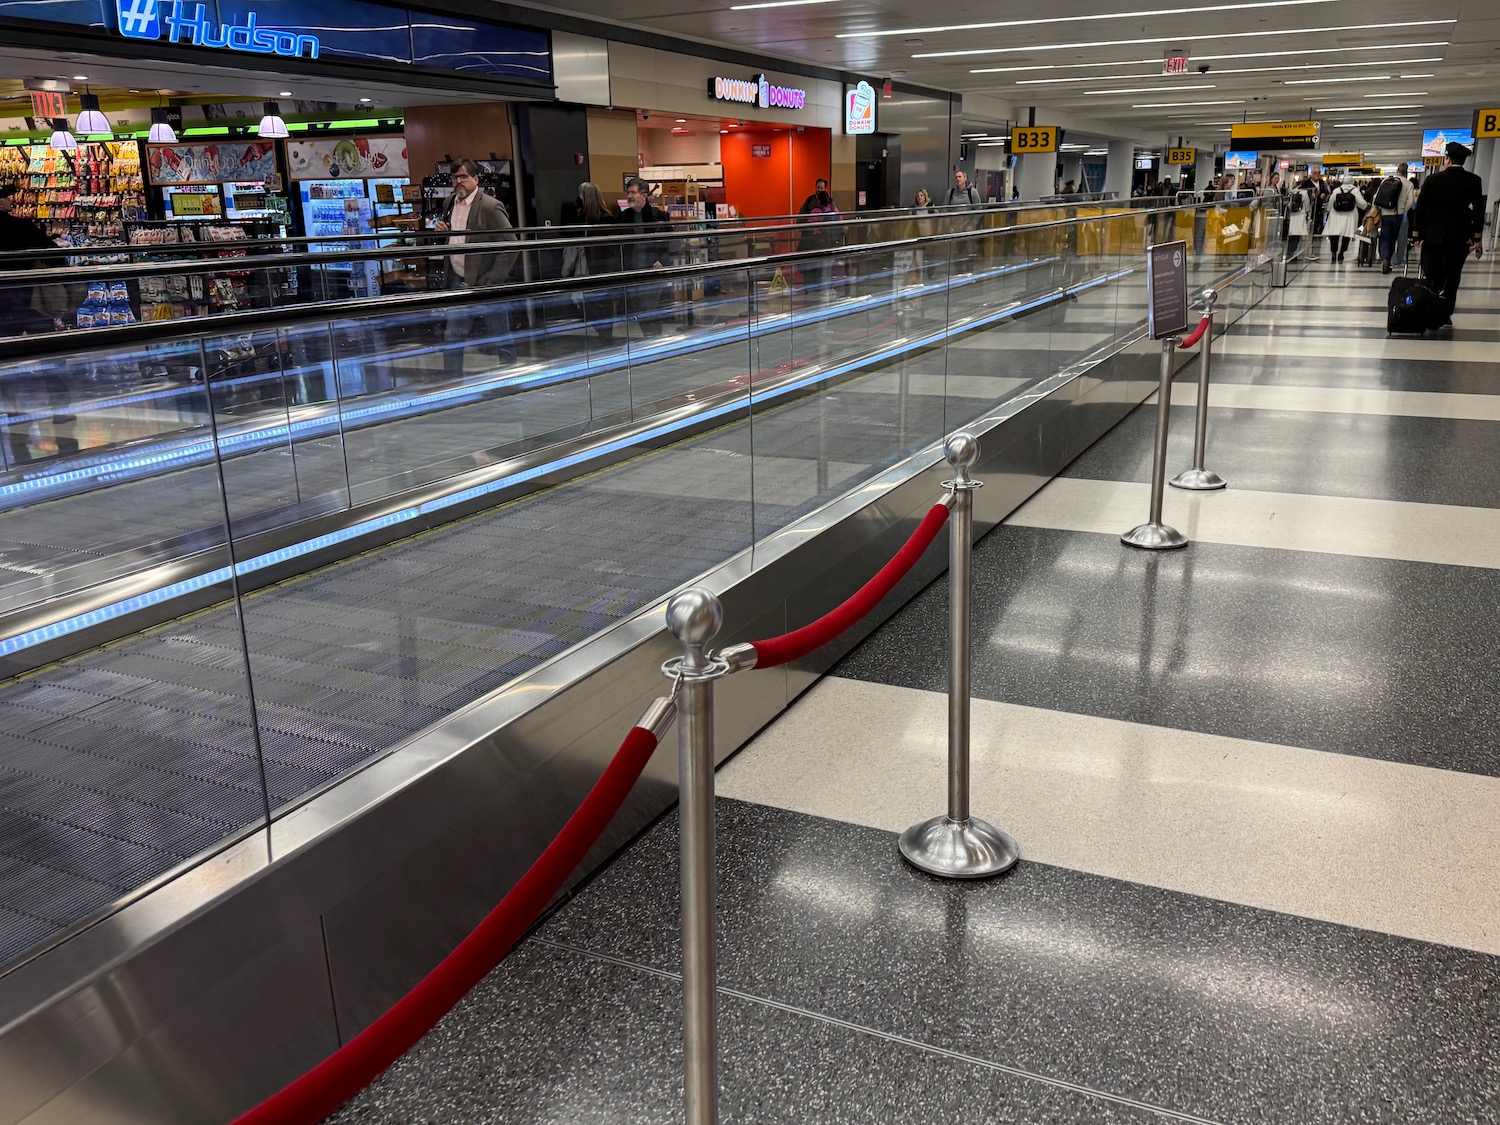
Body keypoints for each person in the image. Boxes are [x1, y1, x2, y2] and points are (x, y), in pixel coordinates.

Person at [436, 159, 517, 373]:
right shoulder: (449, 203)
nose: (458, 181)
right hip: (458, 279)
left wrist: (491, 280)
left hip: (484, 283)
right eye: (454, 177)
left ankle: (511, 377)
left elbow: (511, 245)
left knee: (500, 334)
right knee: (453, 336)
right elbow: (454, 239)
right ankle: (451, 381)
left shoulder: (490, 206)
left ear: (475, 179)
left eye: (463, 177)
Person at [1409, 141, 1485, 324]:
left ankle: (1432, 308)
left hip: (1433, 236)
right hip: (1460, 238)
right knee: (1453, 275)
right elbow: (1478, 210)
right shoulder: (1474, 180)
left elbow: (1421, 208)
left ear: (1448, 159)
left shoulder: (1432, 180)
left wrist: (1417, 235)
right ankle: (1446, 312)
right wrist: (1477, 237)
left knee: (1433, 273)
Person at [621, 177, 674, 335]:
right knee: (640, 311)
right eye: (628, 192)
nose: (629, 196)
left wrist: (663, 261)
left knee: (649, 310)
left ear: (644, 196)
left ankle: (653, 339)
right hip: (632, 272)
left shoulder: (657, 216)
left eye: (633, 192)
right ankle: (651, 340)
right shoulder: (624, 218)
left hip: (651, 272)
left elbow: (670, 241)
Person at [574, 181, 618, 335]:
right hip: (591, 267)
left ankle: (605, 335)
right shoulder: (581, 218)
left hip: (602, 268)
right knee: (591, 305)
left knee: (601, 305)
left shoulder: (606, 219)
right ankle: (604, 334)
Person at [796, 178, 840, 304]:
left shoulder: (822, 206)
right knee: (815, 268)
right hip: (817, 242)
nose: (819, 190)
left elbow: (806, 222)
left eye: (821, 188)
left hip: (817, 243)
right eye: (818, 187)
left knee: (816, 268)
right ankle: (816, 289)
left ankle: (816, 289)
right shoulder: (811, 201)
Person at [1373, 162, 1417, 275]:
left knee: (1384, 237)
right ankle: (1389, 260)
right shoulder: (1409, 184)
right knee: (1393, 238)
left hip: (1385, 213)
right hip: (1398, 215)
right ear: (1406, 172)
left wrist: (1377, 209)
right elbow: (1410, 201)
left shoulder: (1386, 181)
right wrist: (1403, 210)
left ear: (1397, 170)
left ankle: (1385, 259)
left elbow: (1376, 197)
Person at [1323, 175, 1365, 263]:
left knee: (1334, 235)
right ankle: (1341, 253)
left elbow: (1330, 203)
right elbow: (1362, 203)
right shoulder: (1355, 190)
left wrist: (1329, 210)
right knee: (1346, 235)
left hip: (1336, 215)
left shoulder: (1337, 190)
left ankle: (1333, 253)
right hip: (1350, 216)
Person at [1286, 176, 1316, 260]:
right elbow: (1307, 206)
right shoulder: (1304, 193)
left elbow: (1289, 204)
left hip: (1292, 216)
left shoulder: (1293, 191)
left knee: (1291, 235)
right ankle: (1292, 253)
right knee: (1297, 235)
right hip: (1300, 216)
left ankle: (1289, 251)